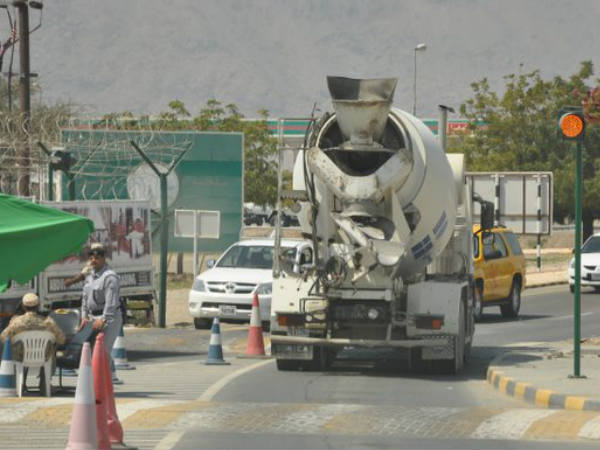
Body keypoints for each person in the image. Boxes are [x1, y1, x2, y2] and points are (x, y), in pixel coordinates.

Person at [0, 293, 66, 381]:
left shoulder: (16, 322)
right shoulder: (48, 322)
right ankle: (45, 380)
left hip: (21, 356)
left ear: (23, 306)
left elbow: (3, 338)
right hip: (44, 357)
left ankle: (18, 381)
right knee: (51, 349)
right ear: (38, 306)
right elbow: (62, 339)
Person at [80, 243, 122, 366]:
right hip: (92, 318)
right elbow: (85, 298)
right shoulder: (90, 276)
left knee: (103, 354)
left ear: (104, 258)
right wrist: (84, 316)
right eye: (91, 258)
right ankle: (98, 378)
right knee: (91, 353)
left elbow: (111, 302)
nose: (94, 260)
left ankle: (108, 377)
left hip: (108, 319)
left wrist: (103, 319)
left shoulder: (110, 277)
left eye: (97, 258)